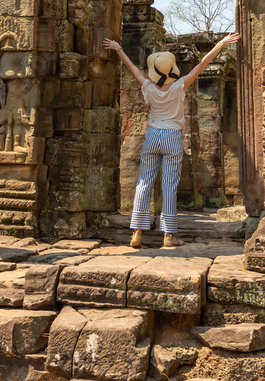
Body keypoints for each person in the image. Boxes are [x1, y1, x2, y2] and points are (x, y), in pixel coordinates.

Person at [103, 33, 241, 248]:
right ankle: (169, 235)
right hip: (172, 137)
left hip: (152, 136)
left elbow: (132, 69)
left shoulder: (147, 86)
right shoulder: (180, 86)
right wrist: (220, 44)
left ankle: (137, 232)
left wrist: (118, 48)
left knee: (143, 182)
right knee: (169, 185)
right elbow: (203, 63)